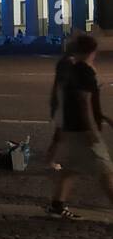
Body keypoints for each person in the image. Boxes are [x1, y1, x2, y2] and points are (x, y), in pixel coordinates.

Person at [46, 34, 113, 219]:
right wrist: (92, 129)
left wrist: (105, 117)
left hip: (72, 127)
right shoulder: (84, 71)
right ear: (92, 51)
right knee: (106, 171)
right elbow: (84, 103)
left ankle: (57, 206)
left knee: (72, 168)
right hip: (83, 130)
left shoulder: (74, 68)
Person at [43, 40, 77, 169]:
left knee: (65, 133)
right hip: (64, 103)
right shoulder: (68, 63)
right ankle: (50, 159)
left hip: (62, 102)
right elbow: (63, 85)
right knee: (61, 133)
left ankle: (52, 158)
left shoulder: (66, 61)